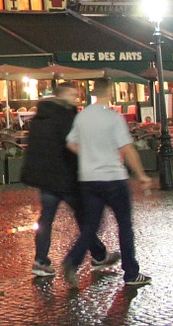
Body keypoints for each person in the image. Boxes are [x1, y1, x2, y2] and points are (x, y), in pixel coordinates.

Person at [62, 78, 153, 288]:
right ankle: (131, 273)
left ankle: (72, 261)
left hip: (89, 178)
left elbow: (70, 142)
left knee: (90, 226)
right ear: (109, 92)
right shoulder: (113, 118)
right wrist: (141, 175)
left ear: (94, 92)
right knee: (124, 225)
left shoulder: (82, 117)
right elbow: (128, 149)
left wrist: (88, 155)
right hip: (113, 177)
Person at [22, 83, 114, 277]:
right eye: (73, 94)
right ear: (64, 95)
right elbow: (75, 144)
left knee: (46, 219)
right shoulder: (67, 115)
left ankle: (40, 261)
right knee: (84, 216)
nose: (75, 97)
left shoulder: (40, 116)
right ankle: (98, 255)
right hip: (65, 177)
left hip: (46, 177)